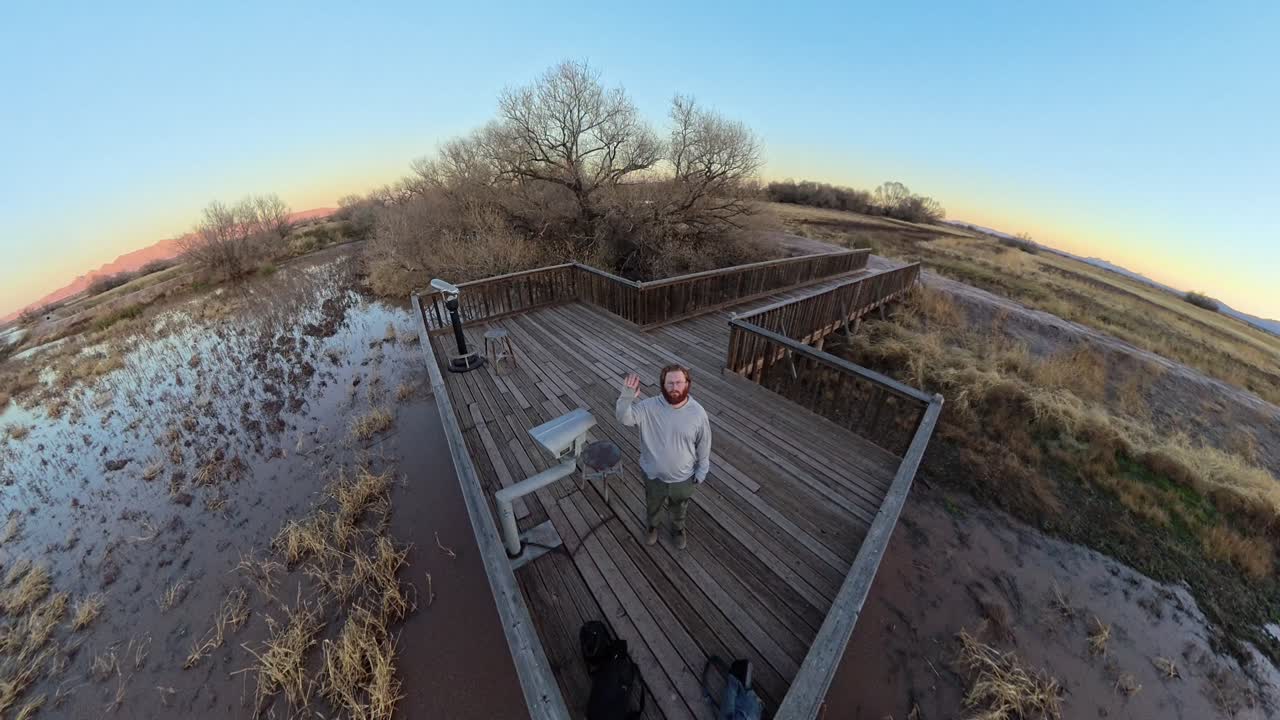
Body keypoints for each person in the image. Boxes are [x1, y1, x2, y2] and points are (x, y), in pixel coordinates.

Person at [616, 364, 711, 550]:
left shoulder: (698, 413)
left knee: (680, 507)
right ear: (662, 384)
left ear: (687, 384)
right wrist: (626, 396)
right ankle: (652, 526)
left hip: (684, 478)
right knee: (653, 504)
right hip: (653, 476)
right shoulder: (647, 407)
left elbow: (704, 443)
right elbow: (623, 418)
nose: (674, 387)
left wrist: (702, 469)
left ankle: (678, 528)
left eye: (679, 382)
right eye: (670, 383)